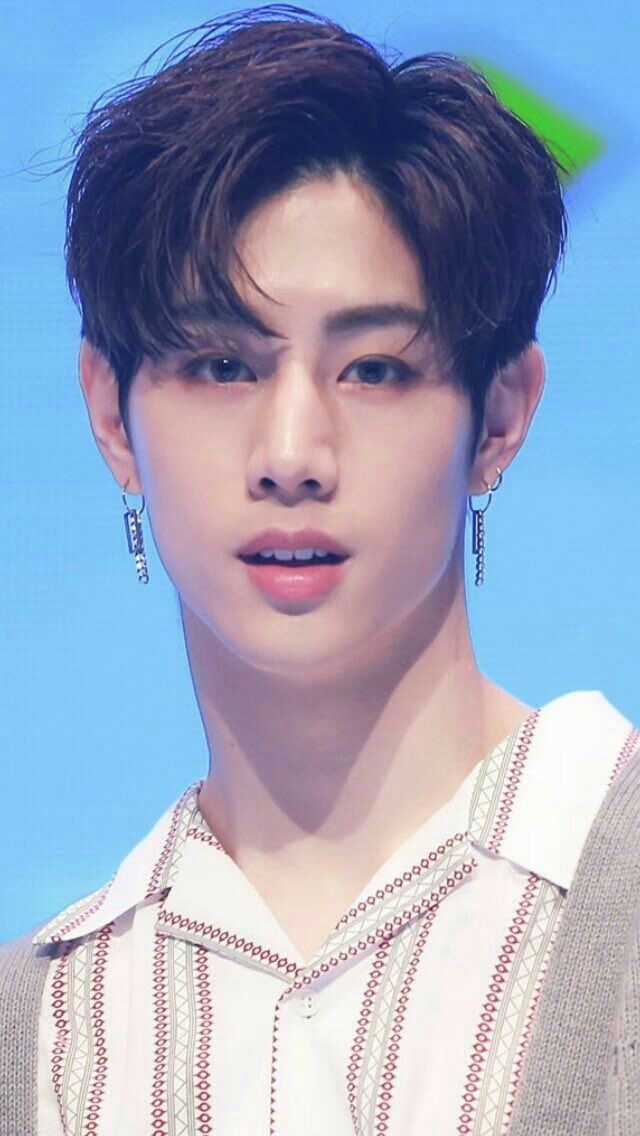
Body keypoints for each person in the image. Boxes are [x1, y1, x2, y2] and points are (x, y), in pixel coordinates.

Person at [1, 6, 639, 1134]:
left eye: (375, 369)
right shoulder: (43, 1032)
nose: (292, 453)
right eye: (221, 366)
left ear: (499, 415)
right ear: (109, 413)